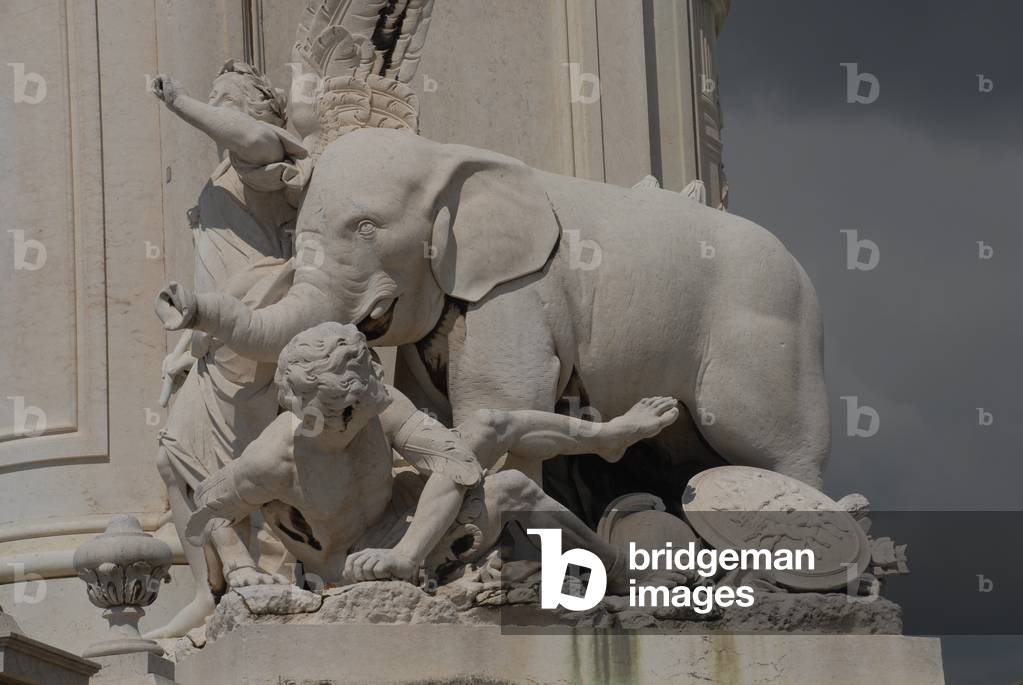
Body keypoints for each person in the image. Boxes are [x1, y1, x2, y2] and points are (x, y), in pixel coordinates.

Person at [186, 323, 681, 592]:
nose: (360, 418)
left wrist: (408, 553)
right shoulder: (272, 460)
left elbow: (453, 463)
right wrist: (236, 567)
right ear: (306, 406)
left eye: (365, 405)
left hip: (405, 532)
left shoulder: (374, 403)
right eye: (341, 413)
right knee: (510, 489)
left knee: (490, 424)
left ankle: (607, 436)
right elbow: (209, 513)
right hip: (350, 564)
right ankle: (617, 570)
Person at [147, 60, 312, 639]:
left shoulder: (266, 152)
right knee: (173, 455)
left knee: (237, 463)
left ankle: (253, 568)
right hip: (215, 334)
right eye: (213, 98)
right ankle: (208, 586)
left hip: (259, 319)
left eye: (228, 99)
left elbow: (252, 137)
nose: (217, 106)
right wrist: (187, 348)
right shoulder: (226, 168)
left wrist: (184, 103)